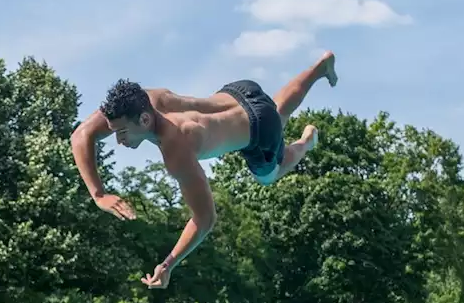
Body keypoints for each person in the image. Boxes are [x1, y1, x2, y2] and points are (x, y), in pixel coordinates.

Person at [71, 52, 338, 289]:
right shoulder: (146, 99)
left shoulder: (176, 149)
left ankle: (305, 143)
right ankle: (318, 69)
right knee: (276, 108)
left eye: (122, 133)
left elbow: (205, 218)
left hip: (259, 128)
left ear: (144, 119)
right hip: (240, 92)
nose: (118, 140)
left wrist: (168, 264)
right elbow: (82, 135)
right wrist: (98, 194)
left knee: (269, 175)